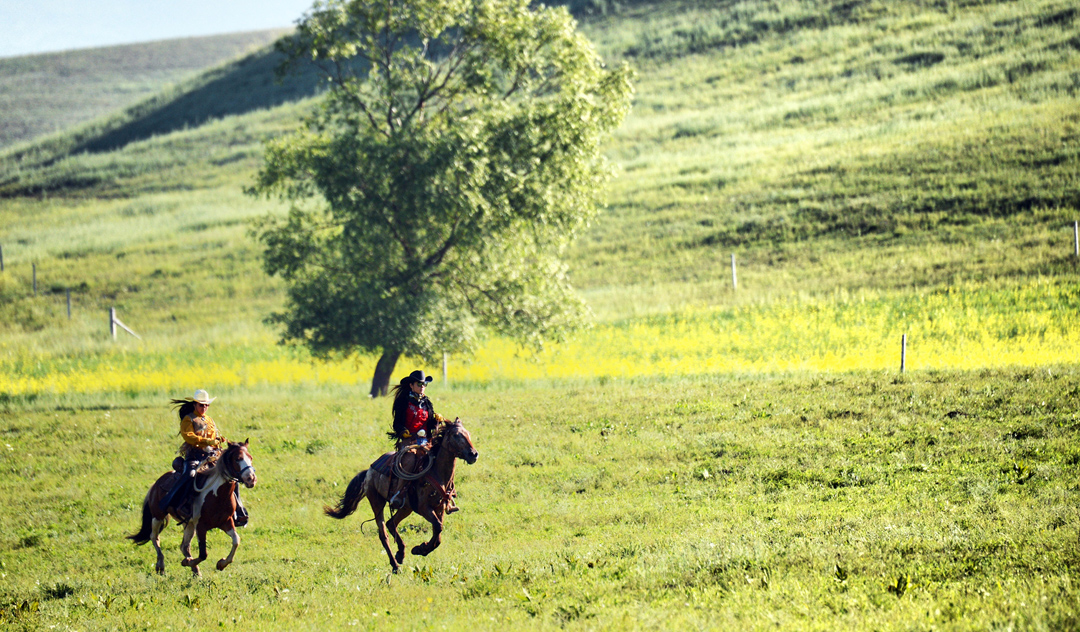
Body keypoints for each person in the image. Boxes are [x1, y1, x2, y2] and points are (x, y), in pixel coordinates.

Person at [159, 389, 248, 526]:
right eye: (201, 405)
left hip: (212, 456)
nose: (204, 408)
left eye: (206, 405)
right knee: (189, 474)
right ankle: (175, 502)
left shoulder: (209, 419)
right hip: (195, 455)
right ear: (195, 404)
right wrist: (207, 441)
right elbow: (189, 436)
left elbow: (213, 437)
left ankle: (238, 511)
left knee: (231, 477)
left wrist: (218, 440)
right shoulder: (188, 419)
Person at [386, 370, 457, 512]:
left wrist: (436, 420)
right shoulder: (403, 402)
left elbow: (430, 425)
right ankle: (399, 494)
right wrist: (403, 432)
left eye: (425, 384)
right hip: (409, 441)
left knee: (444, 460)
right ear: (411, 385)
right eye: (420, 384)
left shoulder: (427, 403)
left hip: (426, 441)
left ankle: (448, 496)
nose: (423, 386)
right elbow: (397, 423)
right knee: (411, 461)